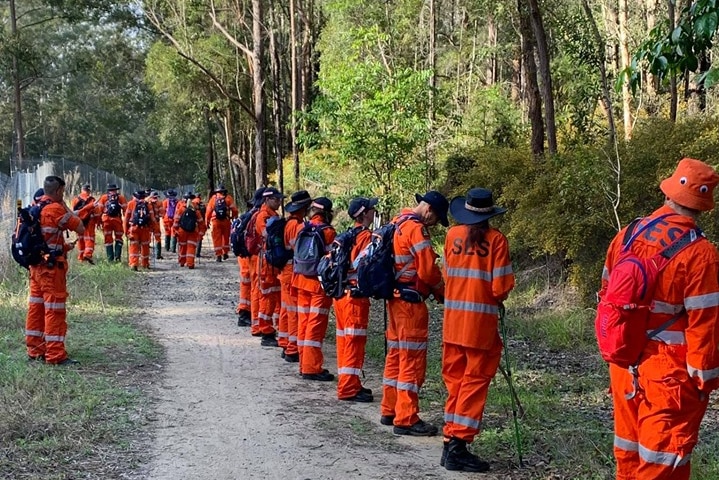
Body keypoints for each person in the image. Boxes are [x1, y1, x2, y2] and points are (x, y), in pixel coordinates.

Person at [601, 158, 719, 480]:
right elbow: (705, 325)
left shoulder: (627, 234)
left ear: (669, 194)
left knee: (628, 456)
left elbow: (607, 293)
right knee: (662, 463)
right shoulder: (701, 254)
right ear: (702, 205)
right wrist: (704, 383)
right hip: (668, 379)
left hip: (623, 364)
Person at [440, 188, 514, 472]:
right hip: (479, 327)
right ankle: (459, 444)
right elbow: (500, 286)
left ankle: (450, 441)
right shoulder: (496, 240)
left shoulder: (450, 236)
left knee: (455, 383)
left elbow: (447, 275)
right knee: (473, 384)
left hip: (452, 324)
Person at [381, 190, 447, 436]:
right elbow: (428, 271)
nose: (435, 224)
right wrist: (443, 292)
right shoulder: (416, 229)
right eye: (437, 219)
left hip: (395, 301)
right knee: (411, 360)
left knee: (396, 355)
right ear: (428, 210)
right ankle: (406, 418)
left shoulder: (396, 221)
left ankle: (390, 409)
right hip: (410, 304)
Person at [25, 175, 85, 365]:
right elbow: (81, 228)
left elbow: (46, 240)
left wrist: (65, 247)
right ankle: (55, 355)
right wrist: (67, 207)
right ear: (58, 191)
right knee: (54, 310)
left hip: (35, 267)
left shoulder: (34, 208)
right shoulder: (56, 209)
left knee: (36, 308)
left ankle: (34, 350)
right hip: (51, 271)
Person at [335, 197, 378, 402]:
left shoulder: (348, 235)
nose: (374, 212)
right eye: (371, 209)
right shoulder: (366, 237)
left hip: (342, 295)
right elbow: (365, 265)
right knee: (354, 342)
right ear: (363, 214)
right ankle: (348, 388)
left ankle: (349, 381)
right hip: (355, 298)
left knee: (344, 341)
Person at [292, 197, 336, 381]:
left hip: (300, 280)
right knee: (315, 326)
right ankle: (311, 368)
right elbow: (332, 259)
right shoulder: (328, 232)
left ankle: (304, 364)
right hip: (318, 285)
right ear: (327, 213)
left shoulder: (302, 228)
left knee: (303, 323)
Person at [278, 190, 312, 362]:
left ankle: (285, 342)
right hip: (291, 272)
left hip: (285, 271)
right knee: (293, 313)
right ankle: (292, 349)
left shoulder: (289, 223)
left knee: (286, 310)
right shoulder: (297, 226)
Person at [255, 187, 286, 347]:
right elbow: (266, 235)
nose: (279, 202)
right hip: (267, 264)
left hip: (273, 263)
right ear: (267, 200)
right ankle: (266, 332)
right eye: (276, 199)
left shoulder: (272, 215)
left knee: (276, 297)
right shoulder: (263, 216)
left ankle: (275, 329)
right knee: (267, 297)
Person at [237, 189, 266, 327]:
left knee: (247, 285)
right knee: (254, 287)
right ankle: (249, 316)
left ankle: (245, 313)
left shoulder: (247, 215)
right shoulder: (258, 216)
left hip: (244, 256)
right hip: (252, 257)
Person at [124, 190, 157, 271]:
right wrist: (154, 229)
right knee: (145, 246)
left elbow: (126, 219)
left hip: (134, 228)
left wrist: (126, 231)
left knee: (134, 246)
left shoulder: (131, 203)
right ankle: (145, 264)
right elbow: (152, 219)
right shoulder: (148, 204)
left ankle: (134, 264)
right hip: (145, 229)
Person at [206, 184, 239, 262]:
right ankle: (225, 253)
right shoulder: (228, 198)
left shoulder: (213, 199)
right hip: (226, 220)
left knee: (217, 238)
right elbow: (235, 210)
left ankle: (218, 255)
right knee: (226, 237)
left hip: (215, 221)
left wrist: (207, 221)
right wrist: (233, 217)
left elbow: (208, 211)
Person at [95, 183, 128, 262]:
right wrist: (127, 223)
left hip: (106, 220)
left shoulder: (103, 198)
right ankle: (117, 257)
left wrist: (98, 222)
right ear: (116, 190)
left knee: (108, 239)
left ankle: (110, 259)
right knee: (119, 238)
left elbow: (99, 211)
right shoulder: (121, 198)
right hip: (117, 220)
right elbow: (126, 211)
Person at [173, 192, 205, 269]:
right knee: (191, 247)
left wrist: (175, 231)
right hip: (193, 231)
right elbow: (201, 223)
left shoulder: (181, 209)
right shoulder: (196, 210)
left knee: (182, 246)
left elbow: (176, 221)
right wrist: (201, 234)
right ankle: (190, 264)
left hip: (182, 231)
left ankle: (182, 262)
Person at [72, 183, 98, 264]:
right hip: (90, 221)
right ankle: (88, 254)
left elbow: (73, 212)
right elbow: (96, 212)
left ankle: (81, 256)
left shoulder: (75, 199)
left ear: (82, 190)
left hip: (79, 221)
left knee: (80, 238)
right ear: (89, 191)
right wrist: (97, 222)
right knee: (89, 238)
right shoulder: (92, 200)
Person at [146, 190, 164, 260]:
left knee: (155, 238)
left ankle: (157, 254)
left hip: (152, 223)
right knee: (150, 237)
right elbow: (161, 213)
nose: (155, 199)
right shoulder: (149, 203)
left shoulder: (147, 202)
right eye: (154, 197)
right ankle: (154, 254)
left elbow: (161, 213)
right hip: (152, 223)